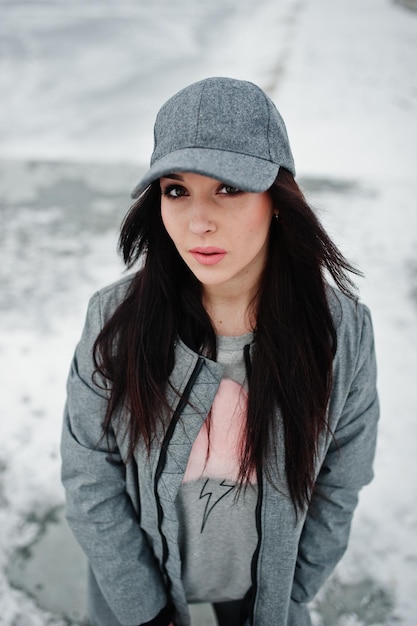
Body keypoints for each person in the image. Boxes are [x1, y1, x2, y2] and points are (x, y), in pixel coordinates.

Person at [61, 77, 379, 626]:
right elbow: (90, 472)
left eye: (228, 188)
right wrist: (142, 609)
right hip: (141, 588)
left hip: (264, 595)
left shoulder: (339, 331)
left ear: (277, 199)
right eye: (176, 190)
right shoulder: (116, 320)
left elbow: (341, 478)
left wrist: (292, 590)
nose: (198, 221)